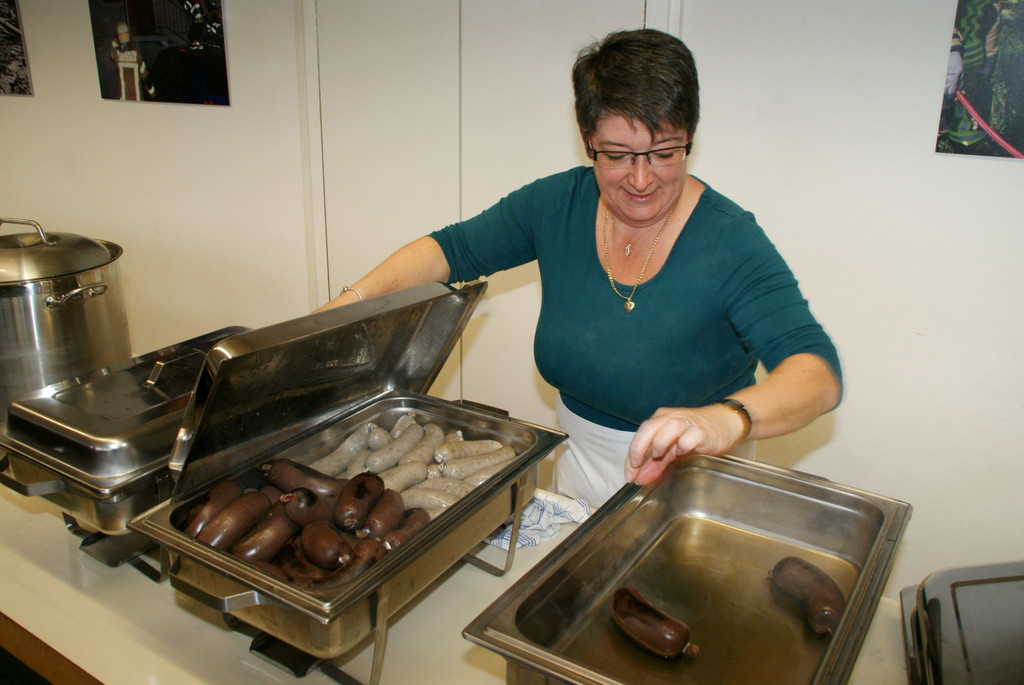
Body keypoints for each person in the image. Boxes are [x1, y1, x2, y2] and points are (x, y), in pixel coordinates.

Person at [320, 29, 842, 507]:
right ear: (586, 139)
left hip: (695, 491)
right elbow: (450, 249)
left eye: (663, 154)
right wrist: (351, 301)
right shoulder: (557, 205)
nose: (640, 179)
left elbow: (816, 374)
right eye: (616, 155)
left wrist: (727, 418)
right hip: (576, 472)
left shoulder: (729, 240)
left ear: (690, 137)